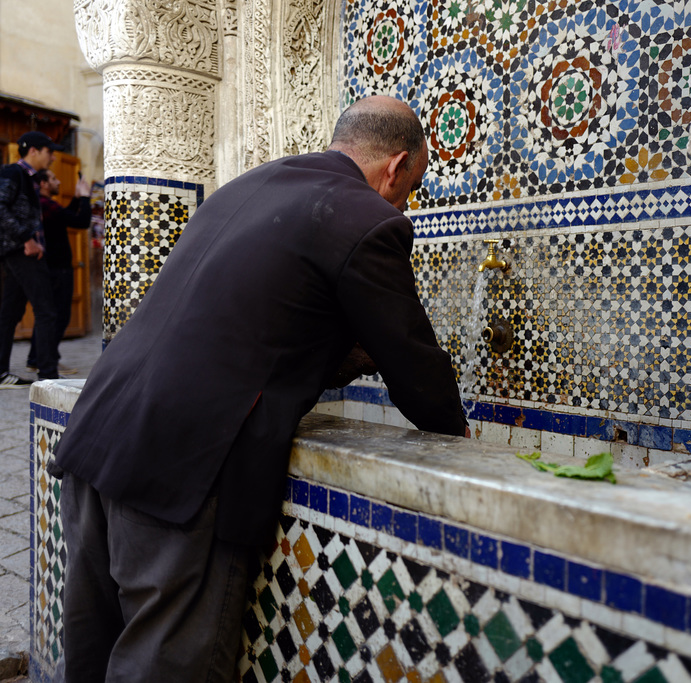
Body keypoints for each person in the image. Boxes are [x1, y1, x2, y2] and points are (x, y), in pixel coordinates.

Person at [50, 96, 468, 683]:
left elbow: (251, 331)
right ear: (396, 167)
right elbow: (417, 369)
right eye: (409, 189)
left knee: (90, 648)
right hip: (181, 468)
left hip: (98, 431)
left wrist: (343, 356)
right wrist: (459, 434)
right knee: (164, 664)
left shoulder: (252, 185)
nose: (403, 204)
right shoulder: (367, 218)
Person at [0, 131, 62, 386]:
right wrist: (26, 238)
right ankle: (48, 375)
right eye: (49, 151)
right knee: (46, 311)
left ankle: (1, 372)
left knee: (9, 314)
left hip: (17, 251)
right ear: (33, 151)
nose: (53, 157)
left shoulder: (29, 178)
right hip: (22, 251)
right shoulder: (13, 173)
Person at [26, 169, 92, 374]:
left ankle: (37, 359)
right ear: (44, 183)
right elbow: (81, 222)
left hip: (50, 268)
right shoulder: (46, 205)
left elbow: (65, 216)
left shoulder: (45, 205)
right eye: (54, 178)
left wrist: (77, 198)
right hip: (58, 270)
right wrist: (86, 198)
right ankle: (47, 360)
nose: (58, 181)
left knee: (47, 315)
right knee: (59, 316)